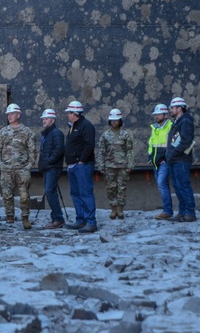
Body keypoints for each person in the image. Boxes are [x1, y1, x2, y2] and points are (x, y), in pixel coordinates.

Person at [0, 103, 39, 229]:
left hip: (22, 169)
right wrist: (0, 164)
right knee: (7, 195)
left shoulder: (27, 132)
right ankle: (9, 216)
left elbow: (32, 150)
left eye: (12, 114)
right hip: (6, 169)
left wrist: (29, 165)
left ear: (18, 115)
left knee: (24, 195)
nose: (9, 116)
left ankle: (25, 218)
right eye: (8, 114)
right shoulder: (3, 132)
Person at [64, 100, 98, 233]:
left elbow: (89, 144)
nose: (68, 115)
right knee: (76, 193)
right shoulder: (73, 125)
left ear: (74, 113)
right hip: (73, 166)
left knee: (85, 193)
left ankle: (91, 221)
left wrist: (82, 161)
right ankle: (81, 219)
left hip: (81, 166)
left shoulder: (86, 125)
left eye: (69, 113)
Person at [96, 108, 134, 220]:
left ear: (120, 121)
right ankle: (113, 209)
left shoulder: (125, 135)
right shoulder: (105, 135)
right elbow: (102, 151)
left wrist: (130, 165)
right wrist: (101, 165)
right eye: (112, 120)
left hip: (122, 166)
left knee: (121, 188)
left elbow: (129, 151)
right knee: (110, 188)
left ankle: (120, 210)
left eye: (116, 120)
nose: (114, 122)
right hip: (109, 166)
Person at [165, 96, 196, 222]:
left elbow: (185, 142)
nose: (170, 110)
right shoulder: (178, 121)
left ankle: (190, 212)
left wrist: (172, 154)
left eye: (172, 108)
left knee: (183, 185)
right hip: (175, 159)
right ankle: (182, 212)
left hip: (181, 160)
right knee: (177, 186)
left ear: (179, 108)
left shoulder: (186, 121)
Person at [38, 108, 65, 229]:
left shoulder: (56, 133)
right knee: (50, 192)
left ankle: (58, 218)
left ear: (53, 120)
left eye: (46, 118)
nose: (44, 121)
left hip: (53, 167)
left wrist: (48, 161)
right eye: (43, 119)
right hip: (47, 167)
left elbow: (59, 149)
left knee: (50, 191)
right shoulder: (47, 134)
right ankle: (56, 217)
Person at [147, 103, 174, 221]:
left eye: (158, 114)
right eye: (155, 114)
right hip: (155, 162)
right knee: (162, 185)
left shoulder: (170, 126)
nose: (156, 116)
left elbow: (172, 144)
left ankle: (167, 211)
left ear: (165, 115)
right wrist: (150, 156)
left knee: (161, 183)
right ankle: (167, 210)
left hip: (165, 162)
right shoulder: (155, 128)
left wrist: (166, 159)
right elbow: (151, 144)